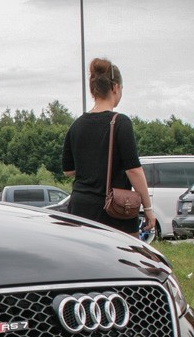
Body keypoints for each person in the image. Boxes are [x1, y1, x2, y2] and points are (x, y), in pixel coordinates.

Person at [61, 58, 155, 236]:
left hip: (79, 209)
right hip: (113, 210)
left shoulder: (76, 125)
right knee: (123, 254)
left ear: (93, 90)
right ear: (115, 88)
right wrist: (148, 209)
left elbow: (68, 171)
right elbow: (133, 170)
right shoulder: (120, 122)